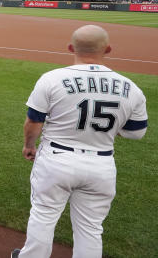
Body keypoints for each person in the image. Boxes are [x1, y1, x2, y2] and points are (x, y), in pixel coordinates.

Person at [12, 25, 148, 258]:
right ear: (108, 49)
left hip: (57, 160)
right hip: (101, 164)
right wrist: (114, 131)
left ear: (70, 48)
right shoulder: (130, 87)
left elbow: (34, 122)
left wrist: (29, 145)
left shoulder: (52, 78)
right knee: (91, 228)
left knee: (44, 216)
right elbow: (136, 132)